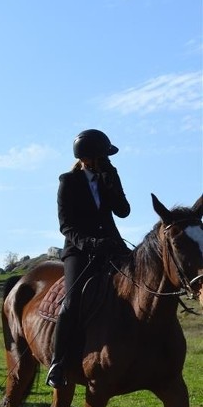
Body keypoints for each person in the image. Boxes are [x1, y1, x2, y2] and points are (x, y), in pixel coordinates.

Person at [46, 129, 131, 388]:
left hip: (112, 246)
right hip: (79, 250)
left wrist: (110, 179)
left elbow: (124, 211)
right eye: (102, 156)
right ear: (87, 158)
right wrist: (91, 243)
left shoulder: (109, 175)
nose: (107, 160)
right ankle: (58, 363)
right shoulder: (68, 182)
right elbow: (66, 226)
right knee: (72, 300)